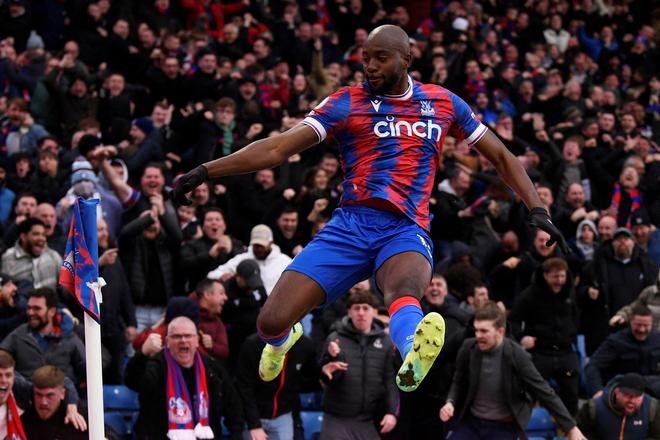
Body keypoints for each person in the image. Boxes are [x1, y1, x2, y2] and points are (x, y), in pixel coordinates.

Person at [173, 24, 568, 392]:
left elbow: (500, 155)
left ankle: (414, 349)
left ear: (406, 59)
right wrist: (209, 169)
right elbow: (277, 147)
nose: (370, 66)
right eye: (365, 57)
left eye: (381, 58)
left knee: (405, 287)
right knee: (270, 321)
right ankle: (283, 338)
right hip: (350, 227)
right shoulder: (346, 102)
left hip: (406, 227)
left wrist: (537, 208)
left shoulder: (443, 103)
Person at [439, 302, 586, 439]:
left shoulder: (517, 355)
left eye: (484, 331)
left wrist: (571, 427)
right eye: (476, 330)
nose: (478, 336)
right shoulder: (468, 348)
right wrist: (450, 402)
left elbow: (543, 391)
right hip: (472, 422)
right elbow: (458, 382)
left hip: (502, 426)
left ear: (500, 332)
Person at [125, 316, 245, 439]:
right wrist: (143, 354)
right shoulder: (157, 365)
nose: (183, 340)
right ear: (167, 341)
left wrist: (237, 435)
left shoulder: (212, 369)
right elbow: (133, 381)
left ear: (197, 340)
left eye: (188, 336)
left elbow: (233, 407)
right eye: (176, 336)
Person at [319, 290, 398, 439]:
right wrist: (327, 366)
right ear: (349, 312)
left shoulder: (386, 342)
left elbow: (390, 382)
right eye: (356, 308)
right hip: (336, 419)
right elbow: (324, 377)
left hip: (366, 420)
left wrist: (391, 412)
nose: (361, 313)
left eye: (365, 308)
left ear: (374, 311)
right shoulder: (335, 338)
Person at [509, 257, 580, 414]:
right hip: (540, 352)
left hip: (565, 351)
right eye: (555, 276)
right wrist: (522, 337)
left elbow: (576, 316)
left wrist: (572, 333)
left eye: (562, 276)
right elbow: (513, 320)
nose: (560, 281)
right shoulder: (530, 294)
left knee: (572, 394)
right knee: (529, 391)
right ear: (545, 275)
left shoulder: (569, 292)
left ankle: (570, 430)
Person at [0, 287, 85, 385]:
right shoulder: (18, 335)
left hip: (62, 396)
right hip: (26, 397)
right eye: (29, 308)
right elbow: (2, 360)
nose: (30, 313)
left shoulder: (70, 337)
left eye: (37, 308)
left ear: (52, 311)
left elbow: (86, 369)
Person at [585, 304, 660, 398]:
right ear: (630, 322)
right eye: (638, 325)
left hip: (651, 392)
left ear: (652, 324)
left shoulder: (658, 339)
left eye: (646, 325)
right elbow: (593, 366)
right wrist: (597, 391)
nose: (642, 329)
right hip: (623, 392)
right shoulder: (616, 341)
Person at [576, 373, 660, 439]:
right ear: (617, 392)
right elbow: (578, 433)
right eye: (627, 395)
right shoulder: (593, 407)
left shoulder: (652, 409)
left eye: (637, 396)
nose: (631, 400)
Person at [21, 366, 87, 440]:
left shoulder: (81, 421)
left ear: (62, 394)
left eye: (50, 395)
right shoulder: (23, 423)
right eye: (38, 395)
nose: (43, 402)